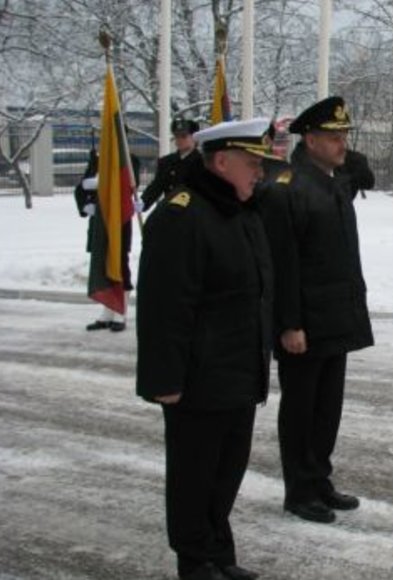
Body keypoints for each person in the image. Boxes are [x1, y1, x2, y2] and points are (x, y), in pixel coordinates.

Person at [135, 118, 276, 580]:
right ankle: (194, 561)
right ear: (221, 161)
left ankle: (219, 553)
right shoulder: (181, 215)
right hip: (197, 379)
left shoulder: (240, 212)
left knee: (226, 473)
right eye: (252, 163)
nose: (260, 172)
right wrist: (164, 380)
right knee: (195, 475)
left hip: (238, 373)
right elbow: (164, 307)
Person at [257, 96, 374, 524]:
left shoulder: (331, 181)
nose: (343, 143)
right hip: (304, 324)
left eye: (345, 135)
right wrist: (289, 323)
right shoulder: (288, 188)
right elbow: (283, 265)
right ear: (309, 139)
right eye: (333, 136)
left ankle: (319, 479)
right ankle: (299, 490)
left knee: (327, 409)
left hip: (334, 318)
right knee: (301, 409)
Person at [74, 146, 141, 332]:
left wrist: (99, 183)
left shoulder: (129, 159)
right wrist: (85, 204)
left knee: (119, 265)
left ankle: (121, 311)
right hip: (98, 223)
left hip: (118, 222)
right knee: (102, 265)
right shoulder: (96, 160)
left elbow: (126, 186)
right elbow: (80, 188)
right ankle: (107, 312)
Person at [140, 118, 203, 212]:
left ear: (194, 138)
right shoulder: (167, 162)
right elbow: (156, 186)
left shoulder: (203, 162)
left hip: (194, 215)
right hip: (170, 213)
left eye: (184, 136)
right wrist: (143, 202)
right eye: (177, 136)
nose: (179, 140)